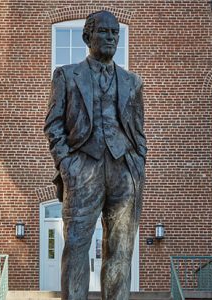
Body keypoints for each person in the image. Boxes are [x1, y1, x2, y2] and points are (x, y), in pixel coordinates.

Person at [44, 10, 147, 300]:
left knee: (121, 250)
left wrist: (137, 166)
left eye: (115, 33)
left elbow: (139, 132)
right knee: (76, 246)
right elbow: (53, 124)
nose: (111, 37)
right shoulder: (66, 75)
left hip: (123, 170)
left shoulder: (133, 82)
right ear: (87, 37)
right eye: (104, 32)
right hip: (82, 168)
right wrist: (67, 164)